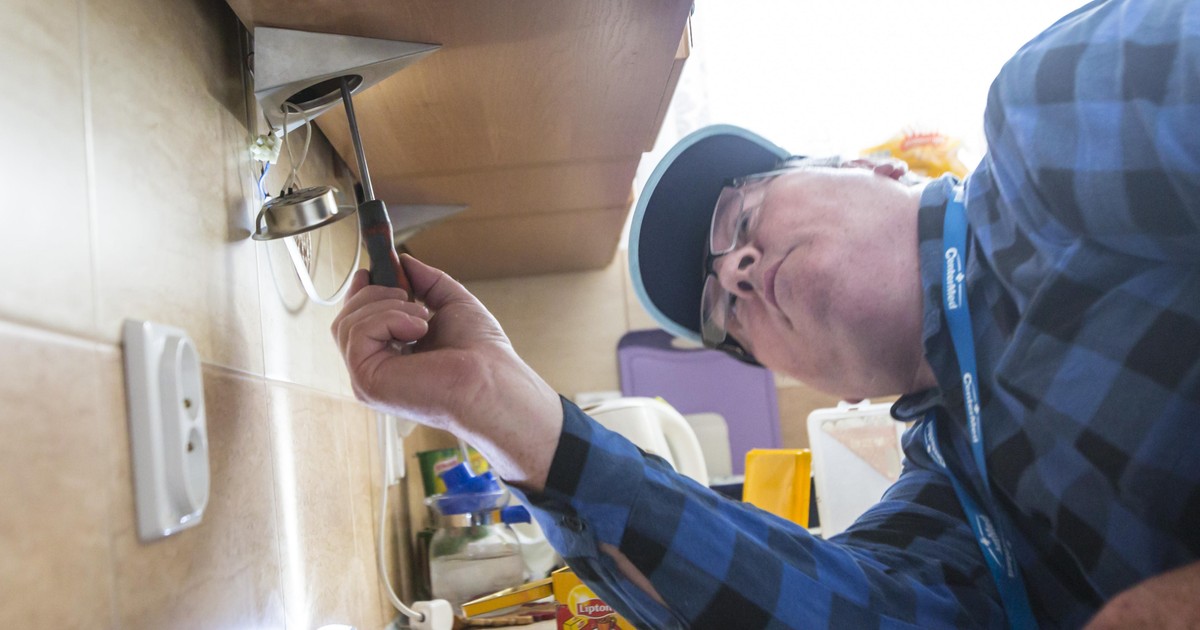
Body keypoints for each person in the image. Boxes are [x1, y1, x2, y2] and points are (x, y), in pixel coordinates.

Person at [331, 0, 1200, 626]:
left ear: (875, 168)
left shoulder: (1050, 121)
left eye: (739, 217)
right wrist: (504, 410)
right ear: (814, 385)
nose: (738, 272)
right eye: (724, 317)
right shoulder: (951, 509)